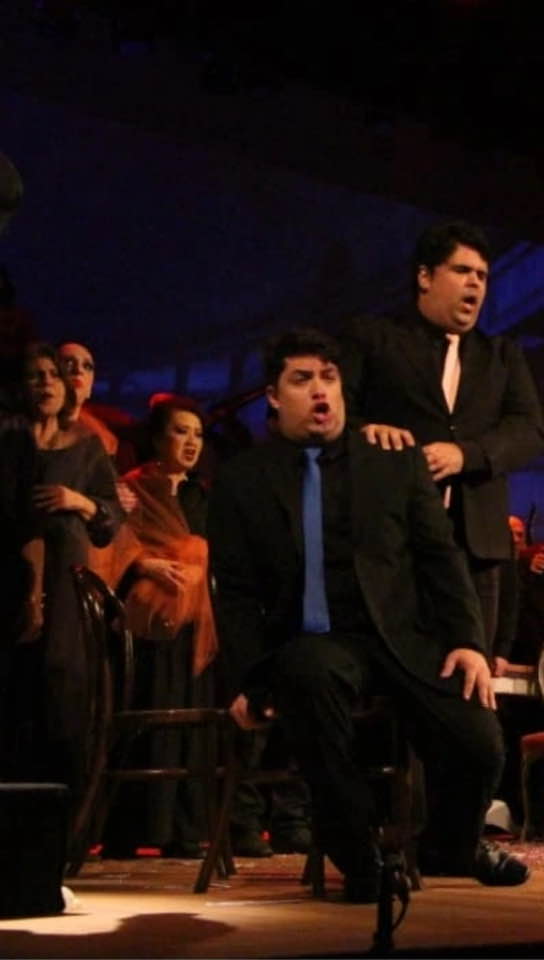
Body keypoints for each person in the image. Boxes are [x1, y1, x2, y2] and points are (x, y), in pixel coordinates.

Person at [207, 327, 529, 903]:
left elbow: (440, 559)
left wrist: (468, 641)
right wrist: (249, 679)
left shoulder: (390, 461)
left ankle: (447, 846)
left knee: (479, 739)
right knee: (307, 675)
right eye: (302, 380)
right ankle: (363, 861)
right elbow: (234, 592)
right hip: (313, 644)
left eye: (328, 377)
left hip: (400, 637)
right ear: (274, 396)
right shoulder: (242, 480)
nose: (319, 390)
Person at [340, 220, 544, 658]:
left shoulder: (501, 356)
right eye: (462, 270)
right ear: (425, 276)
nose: (475, 283)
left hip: (476, 552)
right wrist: (365, 430)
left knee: (467, 679)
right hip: (396, 543)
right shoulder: (375, 338)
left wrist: (466, 455)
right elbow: (337, 417)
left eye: (482, 275)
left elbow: (530, 430)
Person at [101, 396, 217, 858]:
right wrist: (144, 564)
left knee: (192, 716)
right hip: (146, 623)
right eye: (180, 431)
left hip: (196, 623)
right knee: (147, 712)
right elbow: (111, 547)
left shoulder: (202, 494)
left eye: (198, 434)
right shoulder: (132, 489)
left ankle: (183, 828)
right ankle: (130, 827)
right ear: (156, 437)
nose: (191, 442)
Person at [14, 342, 121, 819]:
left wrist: (79, 501)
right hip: (15, 574)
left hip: (65, 580)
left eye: (53, 376)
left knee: (64, 686)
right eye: (35, 376)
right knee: (17, 689)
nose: (45, 384)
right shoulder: (10, 442)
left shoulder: (86, 445)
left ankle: (67, 819)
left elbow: (111, 519)